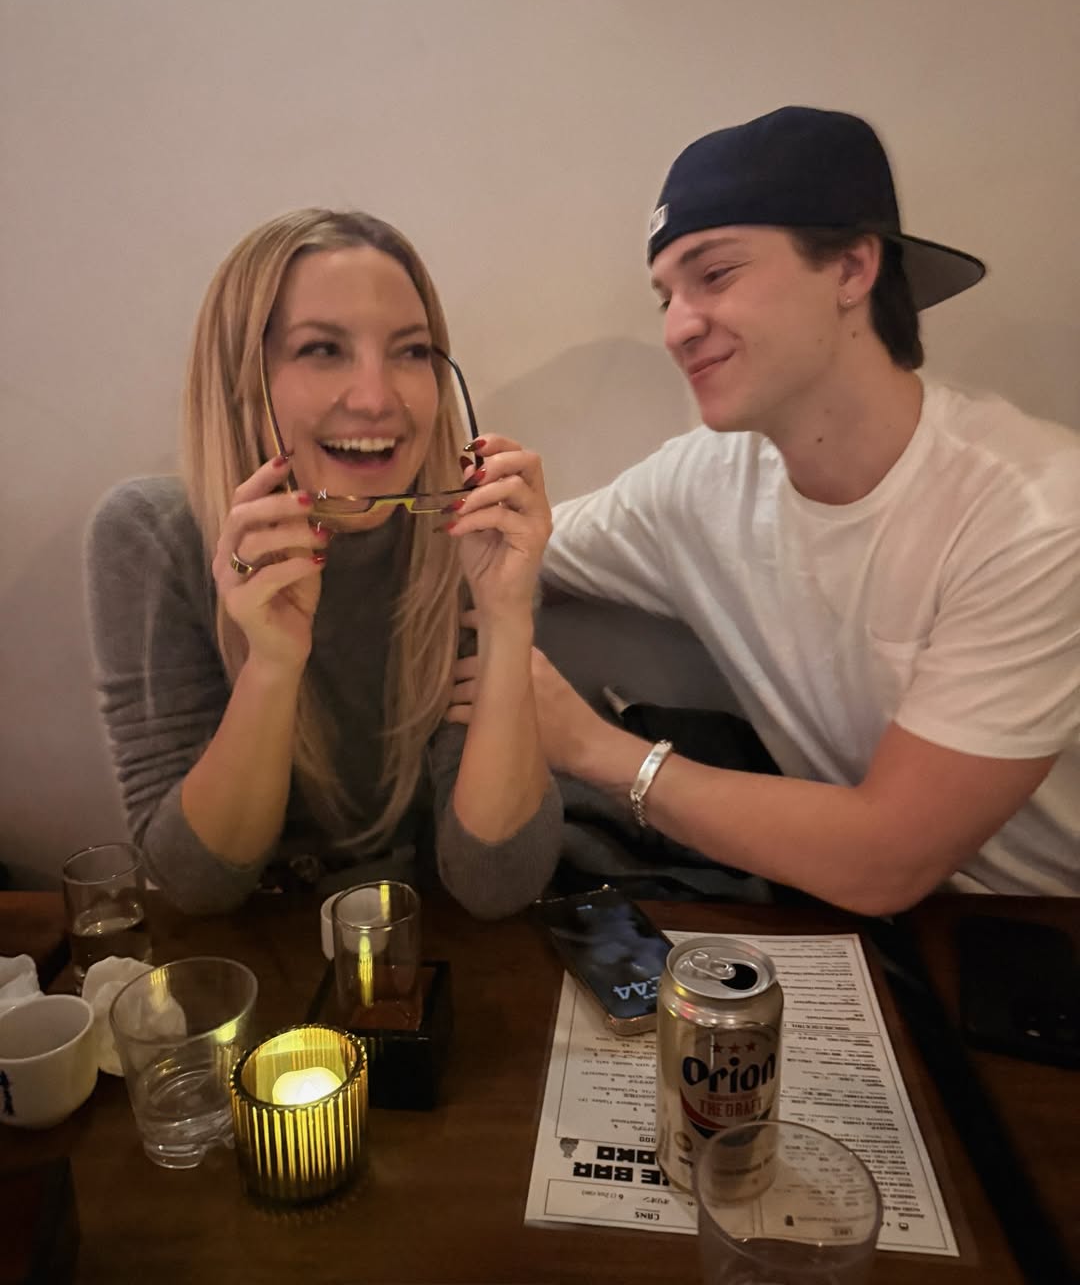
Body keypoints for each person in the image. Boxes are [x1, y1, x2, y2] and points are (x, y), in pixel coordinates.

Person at [525, 106, 1079, 912]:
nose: (678, 328)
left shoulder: (1035, 512)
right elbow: (519, 551)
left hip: (1041, 924)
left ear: (852, 269)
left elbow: (889, 861)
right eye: (666, 296)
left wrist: (592, 749)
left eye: (716, 275)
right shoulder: (700, 484)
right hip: (850, 917)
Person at [86, 208, 561, 916]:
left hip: (425, 942)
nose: (376, 400)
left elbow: (498, 886)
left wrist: (506, 616)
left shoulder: (472, 537)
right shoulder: (152, 537)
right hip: (251, 950)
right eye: (322, 350)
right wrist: (273, 663)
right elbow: (194, 886)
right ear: (240, 379)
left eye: (411, 352)